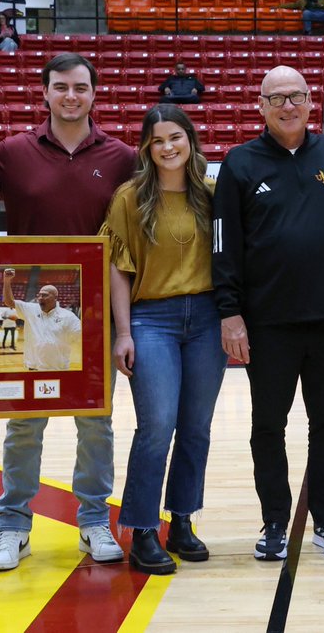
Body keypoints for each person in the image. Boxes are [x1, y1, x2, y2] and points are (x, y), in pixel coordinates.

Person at [0, 52, 135, 572]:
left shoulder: (121, 157)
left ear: (95, 94)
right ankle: (13, 526)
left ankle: (94, 520)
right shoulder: (11, 152)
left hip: (93, 316)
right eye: (60, 87)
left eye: (80, 87)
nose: (71, 96)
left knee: (96, 424)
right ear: (44, 92)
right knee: (24, 425)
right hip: (31, 308)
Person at [212, 66, 324, 561]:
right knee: (267, 427)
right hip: (267, 324)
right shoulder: (239, 163)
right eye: (277, 98)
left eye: (296, 96)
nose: (288, 105)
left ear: (310, 101)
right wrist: (230, 314)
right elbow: (222, 243)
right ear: (260, 106)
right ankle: (275, 521)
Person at [103, 105, 226, 574]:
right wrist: (123, 332)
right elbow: (118, 267)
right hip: (151, 317)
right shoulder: (130, 198)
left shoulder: (211, 195)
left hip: (207, 318)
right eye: (158, 141)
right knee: (156, 426)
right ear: (146, 148)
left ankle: (182, 520)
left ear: (190, 141)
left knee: (196, 427)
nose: (168, 147)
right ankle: (141, 530)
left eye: (176, 137)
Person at [1, 271, 81, 370]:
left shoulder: (68, 316)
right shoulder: (30, 309)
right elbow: (9, 301)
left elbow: (82, 335)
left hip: (58, 369)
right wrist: (7, 280)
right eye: (39, 295)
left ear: (55, 297)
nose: (40, 298)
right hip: (33, 368)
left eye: (45, 295)